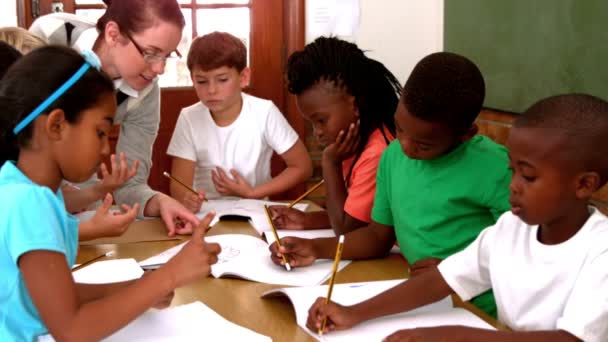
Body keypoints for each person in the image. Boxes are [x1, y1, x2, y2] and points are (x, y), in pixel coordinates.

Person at [307, 93, 608, 342]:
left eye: (528, 176)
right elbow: (441, 280)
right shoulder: (509, 229)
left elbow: (572, 339)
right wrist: (355, 312)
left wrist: (458, 337)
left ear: (584, 184)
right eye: (512, 170)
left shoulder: (600, 250)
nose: (513, 185)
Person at [0, 45, 221, 341]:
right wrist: (169, 275)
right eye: (100, 133)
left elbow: (53, 295)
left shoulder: (17, 184)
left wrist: (139, 287)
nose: (106, 149)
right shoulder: (31, 203)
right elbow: (72, 329)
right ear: (56, 125)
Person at [270, 52, 512, 317]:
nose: (406, 147)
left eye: (423, 144)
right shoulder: (392, 156)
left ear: (466, 134)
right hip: (421, 299)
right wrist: (316, 249)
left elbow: (524, 252)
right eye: (399, 128)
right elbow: (377, 237)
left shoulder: (497, 168)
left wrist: (457, 272)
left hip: (480, 310)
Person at [29, 0, 199, 237]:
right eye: (151, 53)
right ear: (113, 34)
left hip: (85, 212)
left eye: (168, 55)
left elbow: (130, 184)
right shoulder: (49, 37)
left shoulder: (146, 93)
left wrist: (159, 202)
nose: (160, 69)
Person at [268, 37, 401, 234]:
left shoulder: (377, 152)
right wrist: (306, 221)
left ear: (354, 106)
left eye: (321, 120)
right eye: (311, 123)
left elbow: (347, 230)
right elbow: (357, 217)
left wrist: (330, 163)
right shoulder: (355, 144)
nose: (317, 132)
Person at [167, 31, 312, 211]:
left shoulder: (264, 112)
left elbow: (302, 166)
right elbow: (179, 185)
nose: (211, 90)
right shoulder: (189, 117)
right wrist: (187, 198)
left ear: (243, 77)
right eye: (202, 81)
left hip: (255, 209)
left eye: (222, 80)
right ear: (192, 79)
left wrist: (253, 192)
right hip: (206, 213)